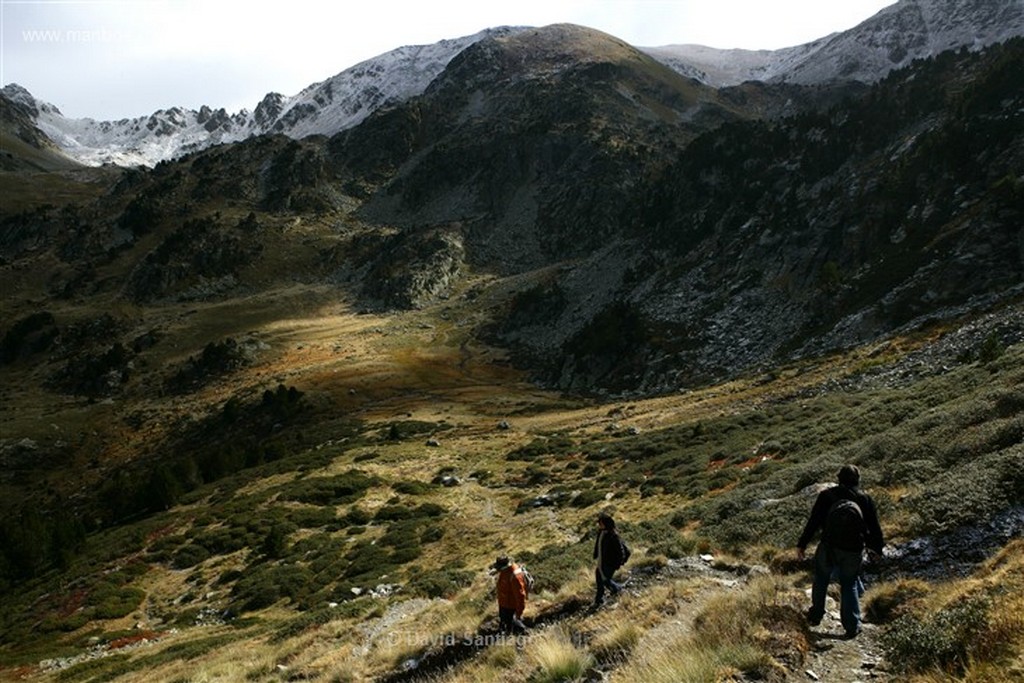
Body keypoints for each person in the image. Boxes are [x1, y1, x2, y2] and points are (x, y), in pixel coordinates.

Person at [797, 464, 884, 638]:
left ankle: (816, 615)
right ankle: (851, 626)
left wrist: (802, 544)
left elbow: (813, 522)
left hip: (828, 545)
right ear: (857, 480)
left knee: (821, 578)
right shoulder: (864, 498)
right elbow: (874, 527)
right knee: (849, 583)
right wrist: (877, 549)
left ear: (839, 478)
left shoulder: (826, 495)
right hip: (853, 549)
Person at [593, 512, 627, 607]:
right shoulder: (601, 532)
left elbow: (620, 551)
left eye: (601, 523)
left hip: (609, 563)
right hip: (602, 561)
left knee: (603, 580)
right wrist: (596, 554)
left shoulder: (613, 536)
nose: (599, 524)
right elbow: (598, 544)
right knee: (602, 579)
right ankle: (615, 590)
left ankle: (599, 599)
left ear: (606, 523)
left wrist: (617, 564)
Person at [493, 555, 528, 634]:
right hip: (504, 604)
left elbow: (520, 595)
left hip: (511, 607)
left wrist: (518, 613)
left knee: (515, 627)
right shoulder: (505, 571)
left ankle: (525, 636)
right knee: (505, 625)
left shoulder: (515, 575)